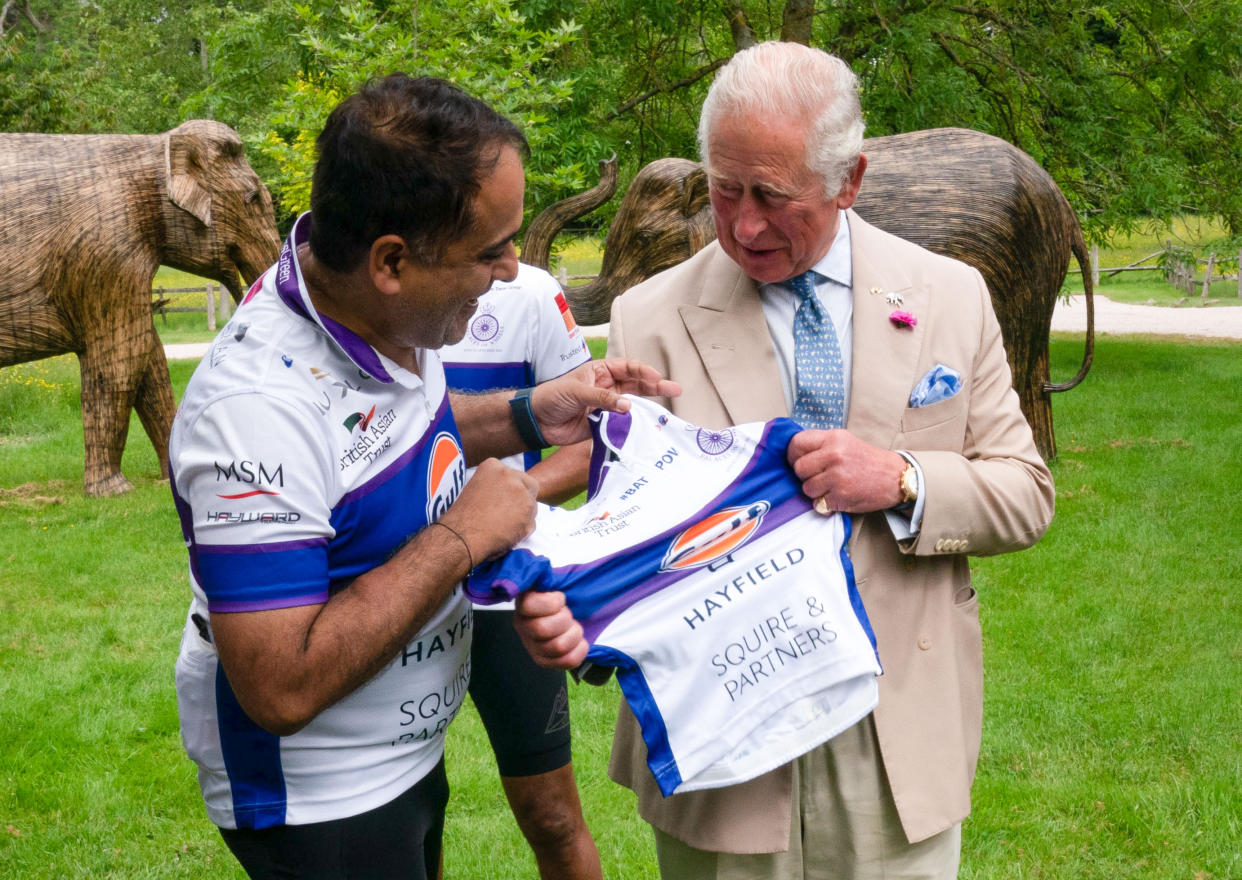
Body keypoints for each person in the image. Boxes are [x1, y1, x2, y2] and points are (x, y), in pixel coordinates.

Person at [515, 42, 1055, 880]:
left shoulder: (951, 294)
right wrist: (578, 612)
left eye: (773, 195)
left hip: (894, 736)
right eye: (724, 190)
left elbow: (1025, 495)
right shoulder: (648, 316)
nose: (744, 224)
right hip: (722, 749)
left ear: (850, 181)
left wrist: (901, 481)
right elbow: (630, 531)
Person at [169, 73, 676, 880]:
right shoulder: (253, 409)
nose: (512, 270)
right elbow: (278, 685)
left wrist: (529, 413)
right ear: (392, 261)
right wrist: (461, 538)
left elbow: (384, 435)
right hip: (321, 800)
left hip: (401, 753)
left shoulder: (376, 311)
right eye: (491, 250)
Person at [438, 263, 602, 879]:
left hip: (501, 593)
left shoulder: (530, 293)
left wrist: (506, 505)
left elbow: (591, 443)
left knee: (552, 818)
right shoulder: (358, 288)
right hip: (385, 591)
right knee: (407, 820)